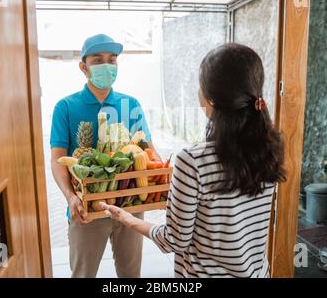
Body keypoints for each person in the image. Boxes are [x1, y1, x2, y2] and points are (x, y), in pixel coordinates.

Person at [102, 43, 286, 278]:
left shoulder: (192, 161)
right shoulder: (270, 148)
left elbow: (174, 241)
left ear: (210, 100)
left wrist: (127, 218)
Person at [50, 34, 158, 278]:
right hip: (86, 209)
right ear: (83, 67)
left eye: (112, 60)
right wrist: (70, 197)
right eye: (98, 60)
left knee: (131, 276)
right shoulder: (65, 107)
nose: (107, 65)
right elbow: (57, 160)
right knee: (83, 274)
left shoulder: (131, 104)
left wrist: (158, 181)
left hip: (130, 205)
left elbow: (150, 151)